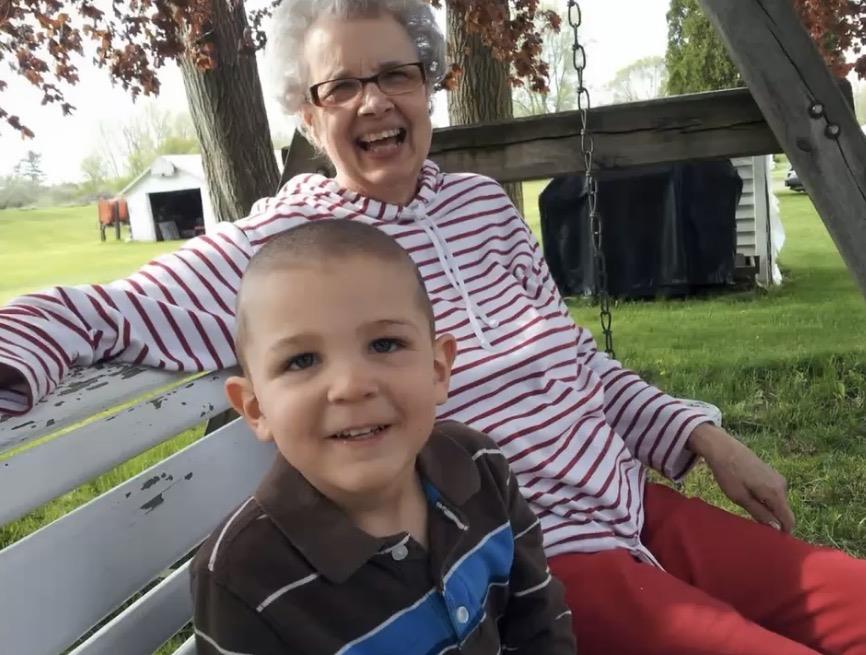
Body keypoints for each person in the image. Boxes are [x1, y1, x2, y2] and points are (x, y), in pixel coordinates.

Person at [0, 0, 863, 652]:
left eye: (396, 74)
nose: (374, 101)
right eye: (342, 85)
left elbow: (574, 358)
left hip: (633, 500)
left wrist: (701, 435)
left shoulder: (482, 205)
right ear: (309, 113)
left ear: (429, 86)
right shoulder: (288, 252)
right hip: (527, 552)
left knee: (850, 597)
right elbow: (95, 311)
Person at [190, 220, 577, 654]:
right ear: (255, 408)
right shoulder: (242, 573)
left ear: (438, 370)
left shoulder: (479, 464)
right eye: (301, 361)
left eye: (384, 344)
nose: (351, 386)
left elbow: (539, 621)